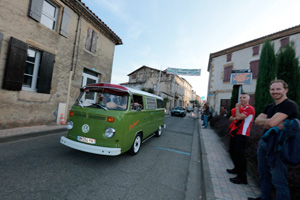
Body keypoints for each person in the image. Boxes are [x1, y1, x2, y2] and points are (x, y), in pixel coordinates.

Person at [248, 80, 299, 200]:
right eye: (272, 89)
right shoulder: (270, 106)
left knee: (278, 179)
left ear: (285, 90)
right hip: (264, 142)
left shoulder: (289, 105)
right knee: (263, 173)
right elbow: (257, 121)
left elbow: (270, 123)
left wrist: (268, 122)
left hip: (279, 145)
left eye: (278, 89)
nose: (275, 92)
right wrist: (271, 123)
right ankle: (264, 197)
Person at [227, 93, 255, 184]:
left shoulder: (249, 108)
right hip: (235, 133)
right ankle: (236, 169)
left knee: (240, 156)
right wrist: (237, 114)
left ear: (248, 99)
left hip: (242, 134)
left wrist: (237, 110)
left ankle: (242, 177)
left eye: (244, 98)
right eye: (240, 98)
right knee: (232, 152)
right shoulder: (240, 109)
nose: (242, 99)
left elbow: (238, 117)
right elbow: (231, 118)